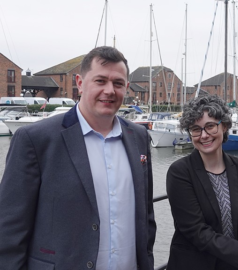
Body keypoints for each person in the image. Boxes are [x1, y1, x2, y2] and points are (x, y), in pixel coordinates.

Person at [0, 46, 156, 269]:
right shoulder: (36, 140)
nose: (110, 90)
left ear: (126, 87)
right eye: (100, 81)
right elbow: (9, 229)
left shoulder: (139, 137)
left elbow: (146, 215)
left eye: (118, 83)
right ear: (80, 83)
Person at [166, 95, 238, 270]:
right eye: (196, 129)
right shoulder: (180, 172)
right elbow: (195, 231)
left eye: (210, 126)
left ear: (224, 125)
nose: (204, 135)